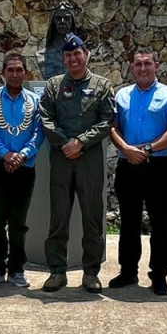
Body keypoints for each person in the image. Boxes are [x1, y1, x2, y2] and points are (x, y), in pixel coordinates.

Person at [39, 33, 115, 293]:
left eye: (77, 53)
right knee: (58, 218)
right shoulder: (53, 85)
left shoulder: (103, 85)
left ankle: (91, 273)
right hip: (61, 159)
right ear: (64, 58)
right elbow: (46, 118)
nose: (73, 58)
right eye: (68, 55)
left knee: (92, 218)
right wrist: (65, 144)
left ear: (86, 54)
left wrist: (81, 142)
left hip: (89, 160)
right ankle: (57, 272)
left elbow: (107, 120)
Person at [108, 47, 167, 296]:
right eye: (138, 64)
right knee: (128, 222)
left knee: (160, 224)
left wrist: (148, 149)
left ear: (156, 66)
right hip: (128, 165)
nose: (143, 68)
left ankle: (159, 275)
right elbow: (113, 128)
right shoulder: (122, 95)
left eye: (147, 63)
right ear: (132, 67)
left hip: (157, 166)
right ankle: (128, 272)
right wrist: (127, 149)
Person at [0, 51, 44, 287]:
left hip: (24, 167)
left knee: (19, 222)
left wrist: (22, 155)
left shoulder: (35, 101)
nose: (15, 74)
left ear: (26, 73)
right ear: (3, 72)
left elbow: (39, 132)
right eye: (11, 70)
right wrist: (5, 154)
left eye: (20, 70)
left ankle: (17, 268)